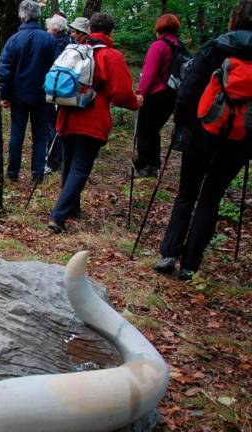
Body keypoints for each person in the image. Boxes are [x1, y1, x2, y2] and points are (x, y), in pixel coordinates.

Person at [154, 0, 252, 279]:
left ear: (234, 20)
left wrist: (182, 123)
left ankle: (168, 253)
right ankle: (190, 264)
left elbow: (188, 91)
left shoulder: (216, 47)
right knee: (211, 198)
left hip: (201, 131)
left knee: (186, 193)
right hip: (239, 141)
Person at [48, 13, 141, 233]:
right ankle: (58, 215)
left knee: (69, 165)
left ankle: (71, 208)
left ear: (90, 29)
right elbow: (120, 94)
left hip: (67, 115)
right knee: (80, 169)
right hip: (92, 120)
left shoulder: (75, 50)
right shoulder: (111, 56)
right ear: (110, 32)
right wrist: (135, 102)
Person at [0, 0, 59, 183]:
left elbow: (4, 70)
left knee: (17, 134)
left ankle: (12, 173)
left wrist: (4, 95)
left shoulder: (14, 40)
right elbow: (56, 67)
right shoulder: (49, 39)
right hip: (42, 97)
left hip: (19, 96)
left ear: (22, 15)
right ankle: (37, 174)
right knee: (40, 136)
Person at [133, 14, 184, 178]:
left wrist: (141, 92)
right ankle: (154, 165)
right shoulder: (179, 45)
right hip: (172, 94)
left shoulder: (159, 46)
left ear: (159, 28)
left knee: (143, 130)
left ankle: (141, 166)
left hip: (156, 94)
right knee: (154, 130)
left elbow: (149, 73)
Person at [45, 14, 72, 173]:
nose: (47, 30)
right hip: (67, 91)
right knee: (62, 125)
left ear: (55, 28)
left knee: (53, 127)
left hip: (56, 90)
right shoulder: (70, 42)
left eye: (49, 27)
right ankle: (62, 160)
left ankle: (53, 162)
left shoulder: (54, 44)